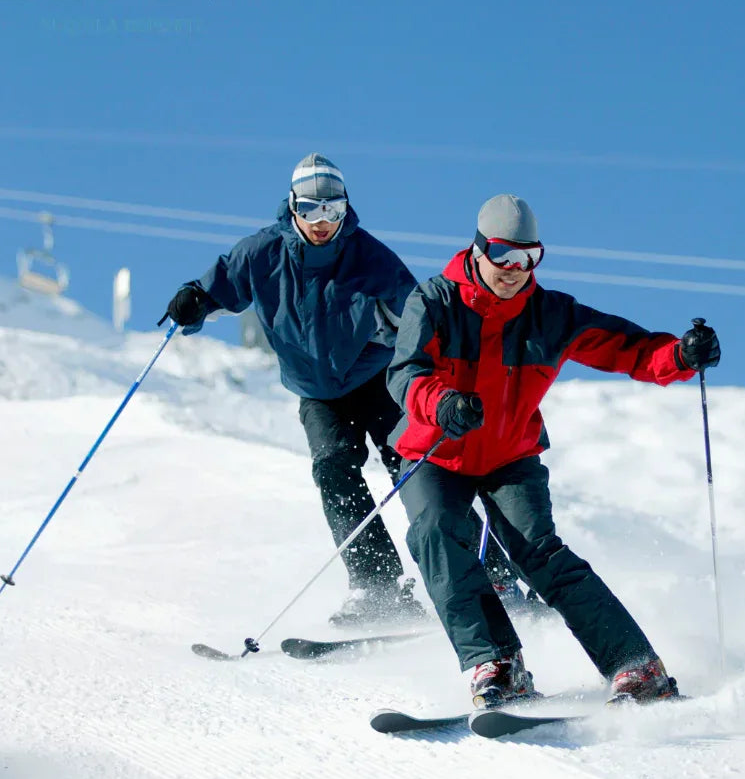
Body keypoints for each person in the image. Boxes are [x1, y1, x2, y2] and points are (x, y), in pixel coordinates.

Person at [387, 193, 721, 705]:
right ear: (478, 250)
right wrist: (443, 402)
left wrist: (679, 354)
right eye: (503, 255)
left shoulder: (552, 314)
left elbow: (626, 348)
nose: (514, 270)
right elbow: (404, 373)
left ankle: (636, 668)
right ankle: (496, 664)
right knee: (435, 531)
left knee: (541, 554)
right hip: (439, 450)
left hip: (508, 456)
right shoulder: (434, 301)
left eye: (528, 258)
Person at [163, 154, 520, 626]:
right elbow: (221, 285)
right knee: (333, 471)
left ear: (345, 210)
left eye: (332, 212)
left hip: (379, 379)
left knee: (419, 471)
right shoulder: (262, 254)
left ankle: (492, 575)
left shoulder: (371, 259)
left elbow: (420, 324)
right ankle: (378, 590)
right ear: (292, 208)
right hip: (317, 392)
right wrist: (195, 299)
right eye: (310, 211)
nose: (321, 223)